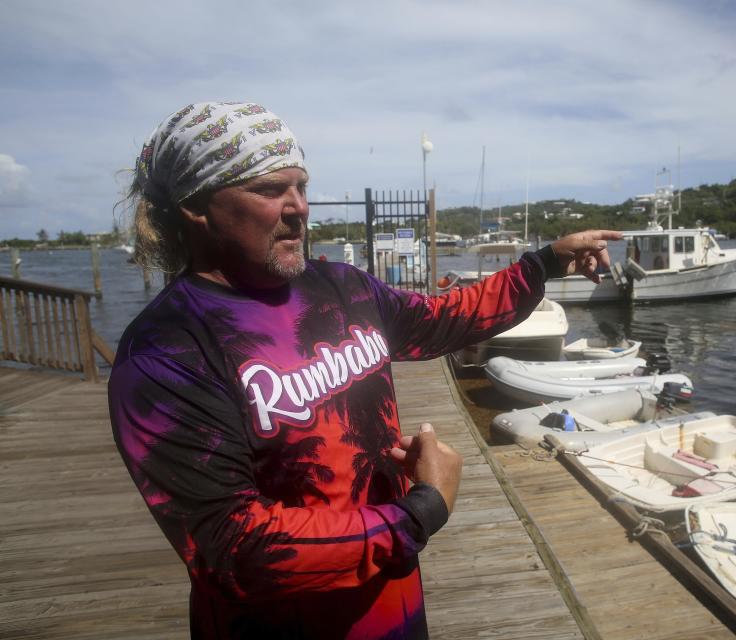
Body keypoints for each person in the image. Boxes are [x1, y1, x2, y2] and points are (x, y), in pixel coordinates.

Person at [109, 100, 621, 640]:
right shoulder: (165, 350)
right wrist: (421, 510)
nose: (298, 207)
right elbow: (234, 547)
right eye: (269, 190)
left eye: (301, 187)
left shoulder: (341, 287)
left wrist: (542, 264)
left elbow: (440, 320)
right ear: (196, 207)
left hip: (393, 606)